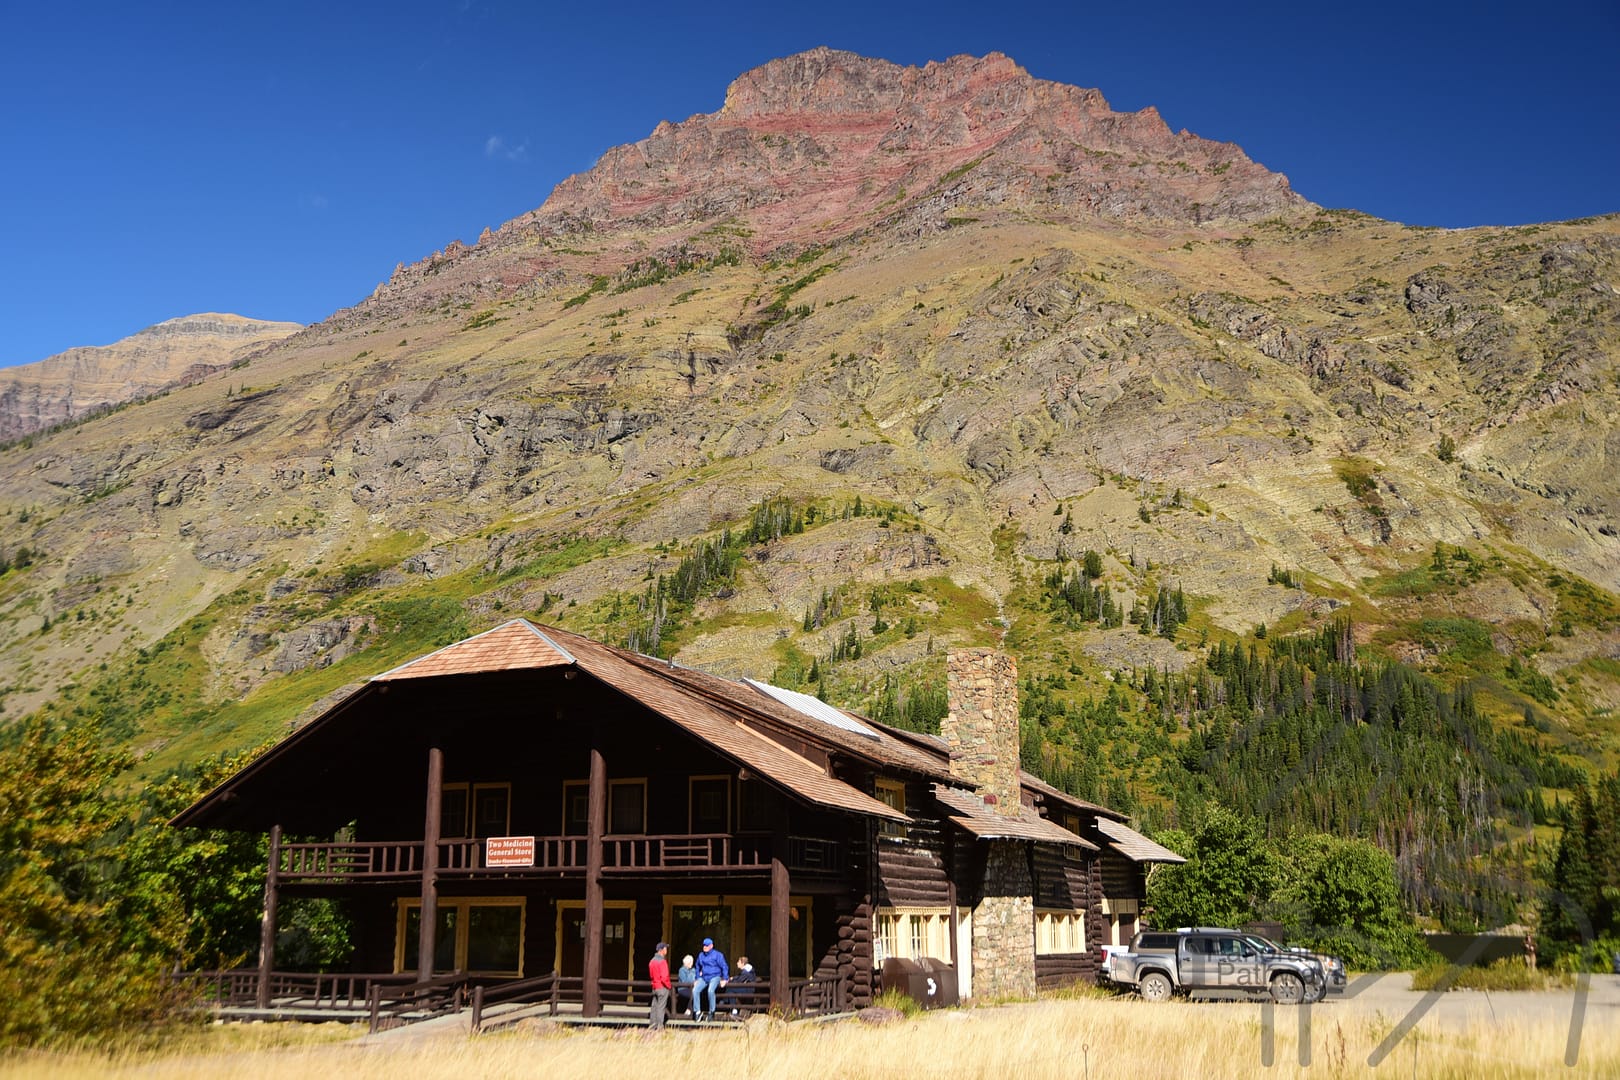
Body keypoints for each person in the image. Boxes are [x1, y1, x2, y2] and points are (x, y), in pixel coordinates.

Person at [691, 936, 729, 1021]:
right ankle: (697, 1012)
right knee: (695, 990)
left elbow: (724, 966)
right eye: (704, 945)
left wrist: (725, 979)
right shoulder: (701, 955)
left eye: (707, 945)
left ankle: (712, 1011)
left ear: (711, 946)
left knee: (710, 991)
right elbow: (697, 966)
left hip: (715, 976)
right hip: (704, 977)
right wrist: (697, 978)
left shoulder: (718, 955)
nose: (705, 947)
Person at [648, 941, 672, 1030]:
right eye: (665, 948)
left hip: (654, 986)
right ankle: (660, 1026)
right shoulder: (662, 962)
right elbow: (664, 977)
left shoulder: (652, 961)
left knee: (654, 1007)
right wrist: (669, 986)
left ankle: (652, 1025)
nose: (666, 950)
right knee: (661, 1007)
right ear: (661, 950)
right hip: (662, 987)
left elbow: (651, 975)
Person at [676, 953, 697, 1018]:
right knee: (694, 993)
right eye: (691, 962)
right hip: (683, 989)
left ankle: (693, 1010)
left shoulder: (693, 970)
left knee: (696, 992)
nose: (692, 964)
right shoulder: (682, 970)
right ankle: (689, 1009)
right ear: (687, 963)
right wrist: (694, 982)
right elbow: (685, 981)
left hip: (692, 988)